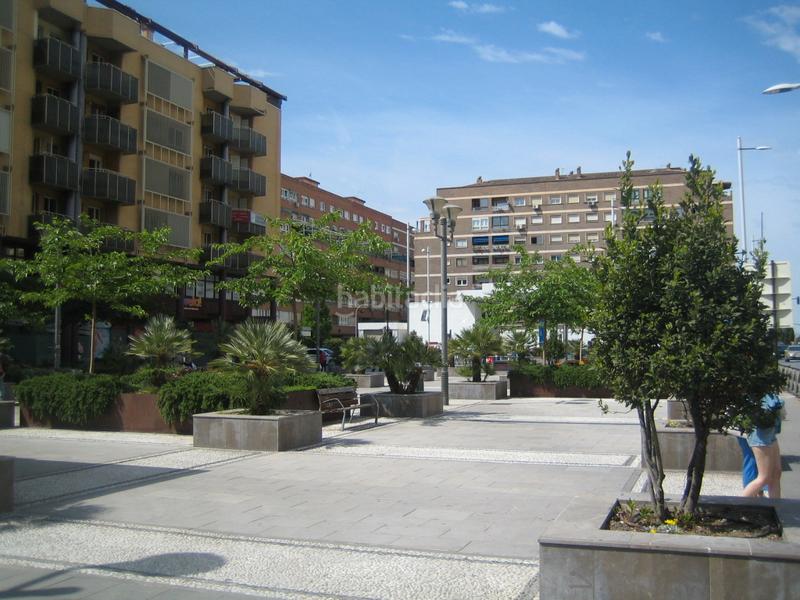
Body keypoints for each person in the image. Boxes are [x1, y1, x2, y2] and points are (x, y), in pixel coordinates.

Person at [742, 394, 784, 499]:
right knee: (764, 477)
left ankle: (775, 508)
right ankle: (737, 507)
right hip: (760, 431)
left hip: (769, 428)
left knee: (776, 472)